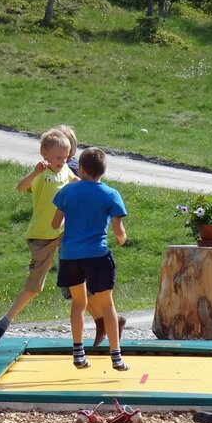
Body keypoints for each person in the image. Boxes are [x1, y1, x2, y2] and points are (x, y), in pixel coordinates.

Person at [0, 129, 79, 346]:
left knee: (80, 271)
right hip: (41, 236)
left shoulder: (66, 170)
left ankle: (70, 286)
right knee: (35, 286)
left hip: (62, 231)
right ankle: (6, 320)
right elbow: (21, 187)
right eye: (59, 157)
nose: (63, 161)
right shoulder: (41, 174)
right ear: (44, 154)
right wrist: (34, 173)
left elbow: (78, 181)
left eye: (66, 157)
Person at [52, 147, 129, 371]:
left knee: (78, 304)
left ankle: (78, 353)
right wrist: (122, 239)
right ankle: (116, 356)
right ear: (103, 171)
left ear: (82, 169)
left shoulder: (67, 191)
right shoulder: (111, 194)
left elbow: (55, 224)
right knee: (107, 304)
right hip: (97, 255)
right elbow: (119, 232)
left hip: (70, 255)